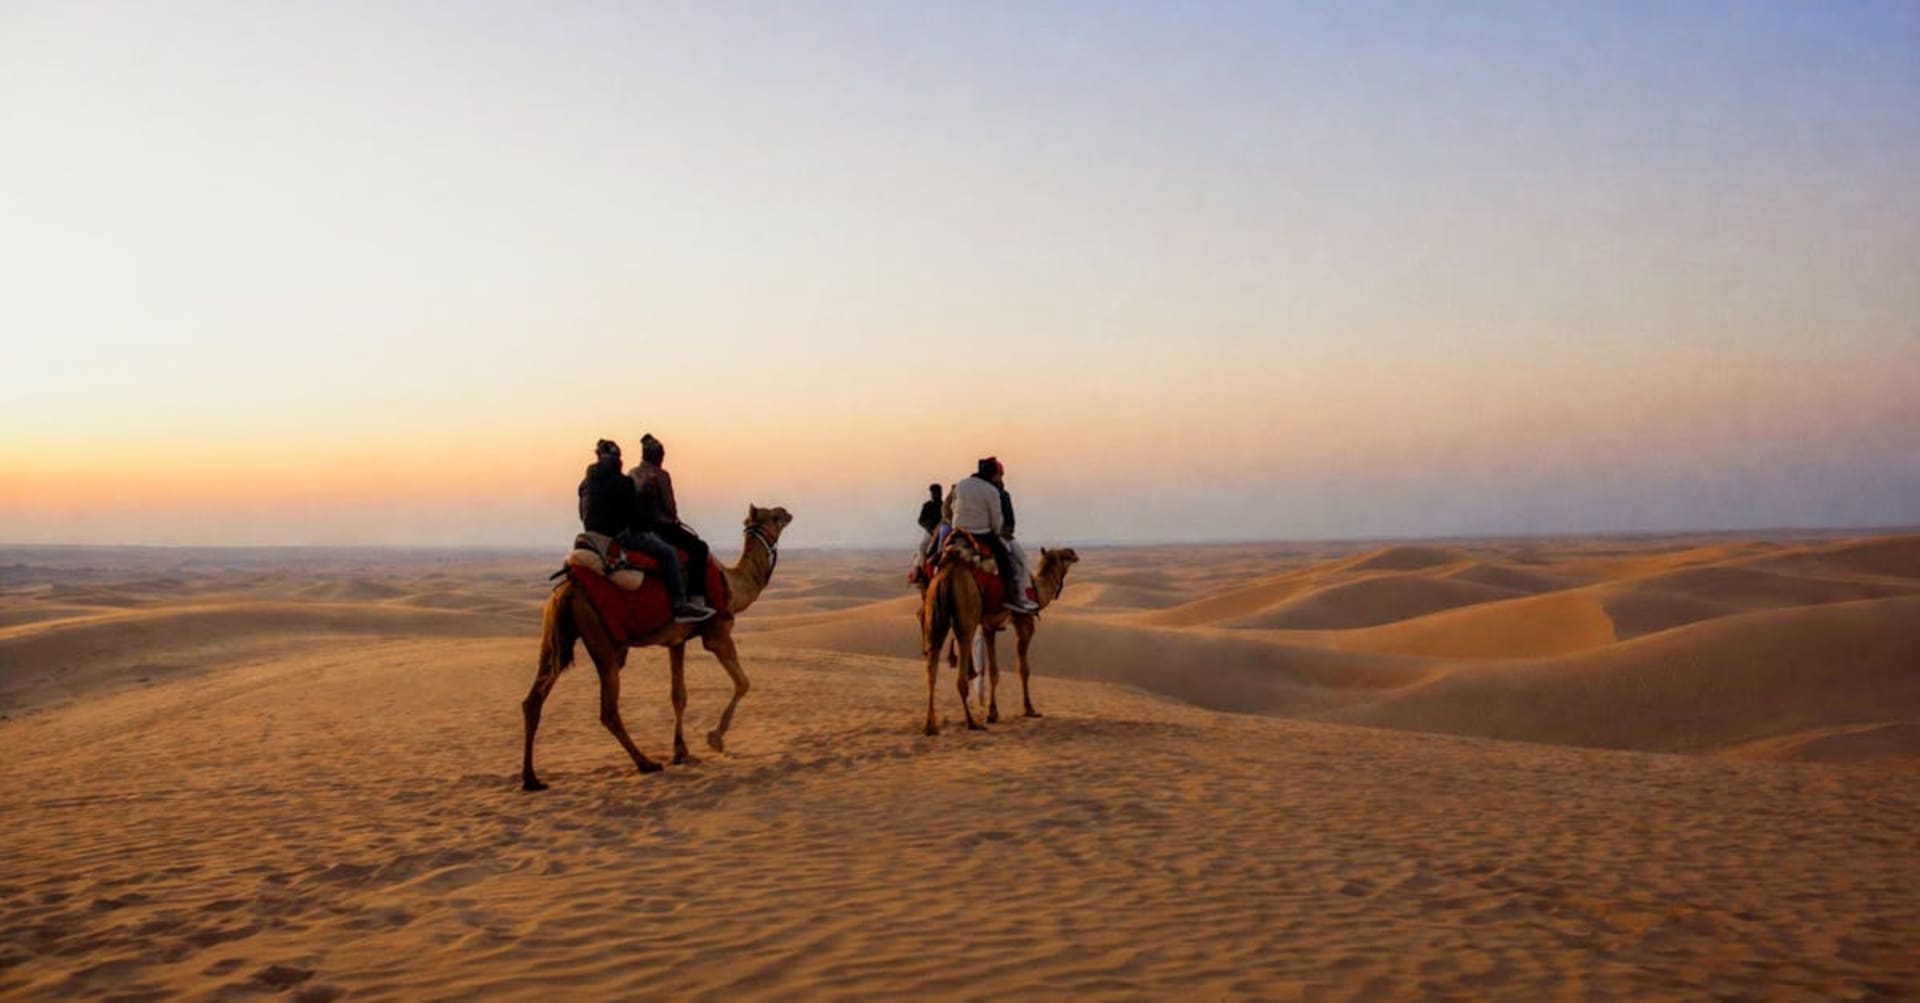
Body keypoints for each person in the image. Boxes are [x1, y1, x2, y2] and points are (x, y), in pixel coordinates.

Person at [577, 438, 712, 623]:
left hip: (591, 537)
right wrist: (645, 528)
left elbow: (581, 514)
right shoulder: (627, 481)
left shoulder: (585, 483)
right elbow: (650, 513)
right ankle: (680, 605)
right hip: (620, 535)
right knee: (669, 554)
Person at [629, 433, 716, 614]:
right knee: (700, 548)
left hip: (639, 530)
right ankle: (696, 598)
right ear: (658, 456)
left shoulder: (631, 474)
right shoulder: (660, 475)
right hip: (663, 528)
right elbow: (670, 507)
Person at [945, 456, 1037, 612]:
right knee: (1010, 564)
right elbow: (996, 521)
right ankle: (1017, 598)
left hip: (958, 532)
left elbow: (952, 507)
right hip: (981, 533)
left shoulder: (961, 485)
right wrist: (997, 534)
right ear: (994, 475)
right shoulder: (992, 491)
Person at [909, 483, 947, 584]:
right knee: (922, 548)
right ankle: (922, 570)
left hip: (942, 531)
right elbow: (921, 520)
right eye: (935, 492)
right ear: (931, 493)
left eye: (938, 492)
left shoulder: (945, 505)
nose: (936, 494)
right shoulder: (928, 506)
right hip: (930, 532)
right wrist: (930, 528)